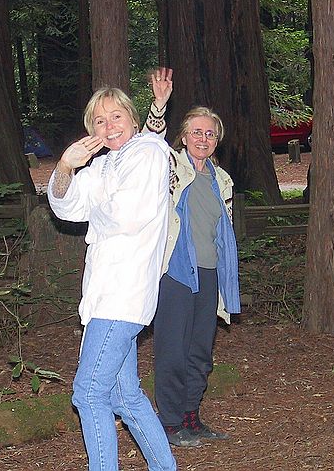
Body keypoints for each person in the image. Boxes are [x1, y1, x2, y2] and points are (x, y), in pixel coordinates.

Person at [47, 87, 177, 471]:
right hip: (102, 296)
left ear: (133, 120)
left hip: (125, 294)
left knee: (88, 394)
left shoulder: (149, 153)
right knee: (125, 396)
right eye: (100, 121)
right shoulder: (101, 167)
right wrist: (66, 167)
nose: (109, 126)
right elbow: (67, 206)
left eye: (116, 116)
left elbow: (127, 216)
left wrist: (96, 208)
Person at [145, 68, 241, 447]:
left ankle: (191, 417)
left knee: (200, 351)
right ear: (183, 137)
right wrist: (159, 105)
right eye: (196, 132)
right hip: (175, 272)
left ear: (217, 140)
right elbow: (148, 144)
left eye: (210, 133)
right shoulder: (169, 167)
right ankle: (169, 423)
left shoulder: (221, 180)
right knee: (173, 349)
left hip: (210, 273)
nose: (203, 138)